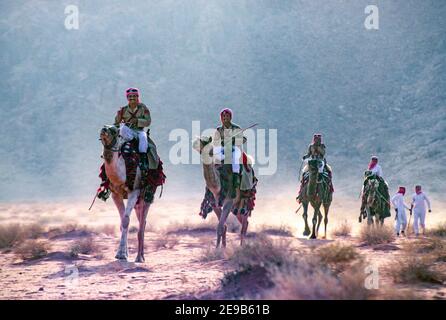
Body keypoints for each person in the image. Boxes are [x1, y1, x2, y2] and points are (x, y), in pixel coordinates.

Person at [114, 87, 151, 173]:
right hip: (128, 131)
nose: (132, 98)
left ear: (137, 97)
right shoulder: (123, 110)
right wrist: (118, 116)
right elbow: (116, 123)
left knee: (143, 138)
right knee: (122, 128)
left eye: (134, 96)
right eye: (130, 96)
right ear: (127, 98)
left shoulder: (143, 108)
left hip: (139, 131)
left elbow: (148, 121)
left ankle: (143, 160)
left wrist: (138, 121)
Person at [213, 108, 245, 189]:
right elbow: (215, 142)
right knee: (215, 153)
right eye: (223, 116)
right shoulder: (219, 129)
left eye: (227, 116)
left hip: (234, 149)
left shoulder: (236, 128)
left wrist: (234, 140)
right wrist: (220, 142)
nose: (225, 118)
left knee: (235, 158)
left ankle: (236, 177)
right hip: (223, 149)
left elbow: (244, 139)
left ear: (230, 117)